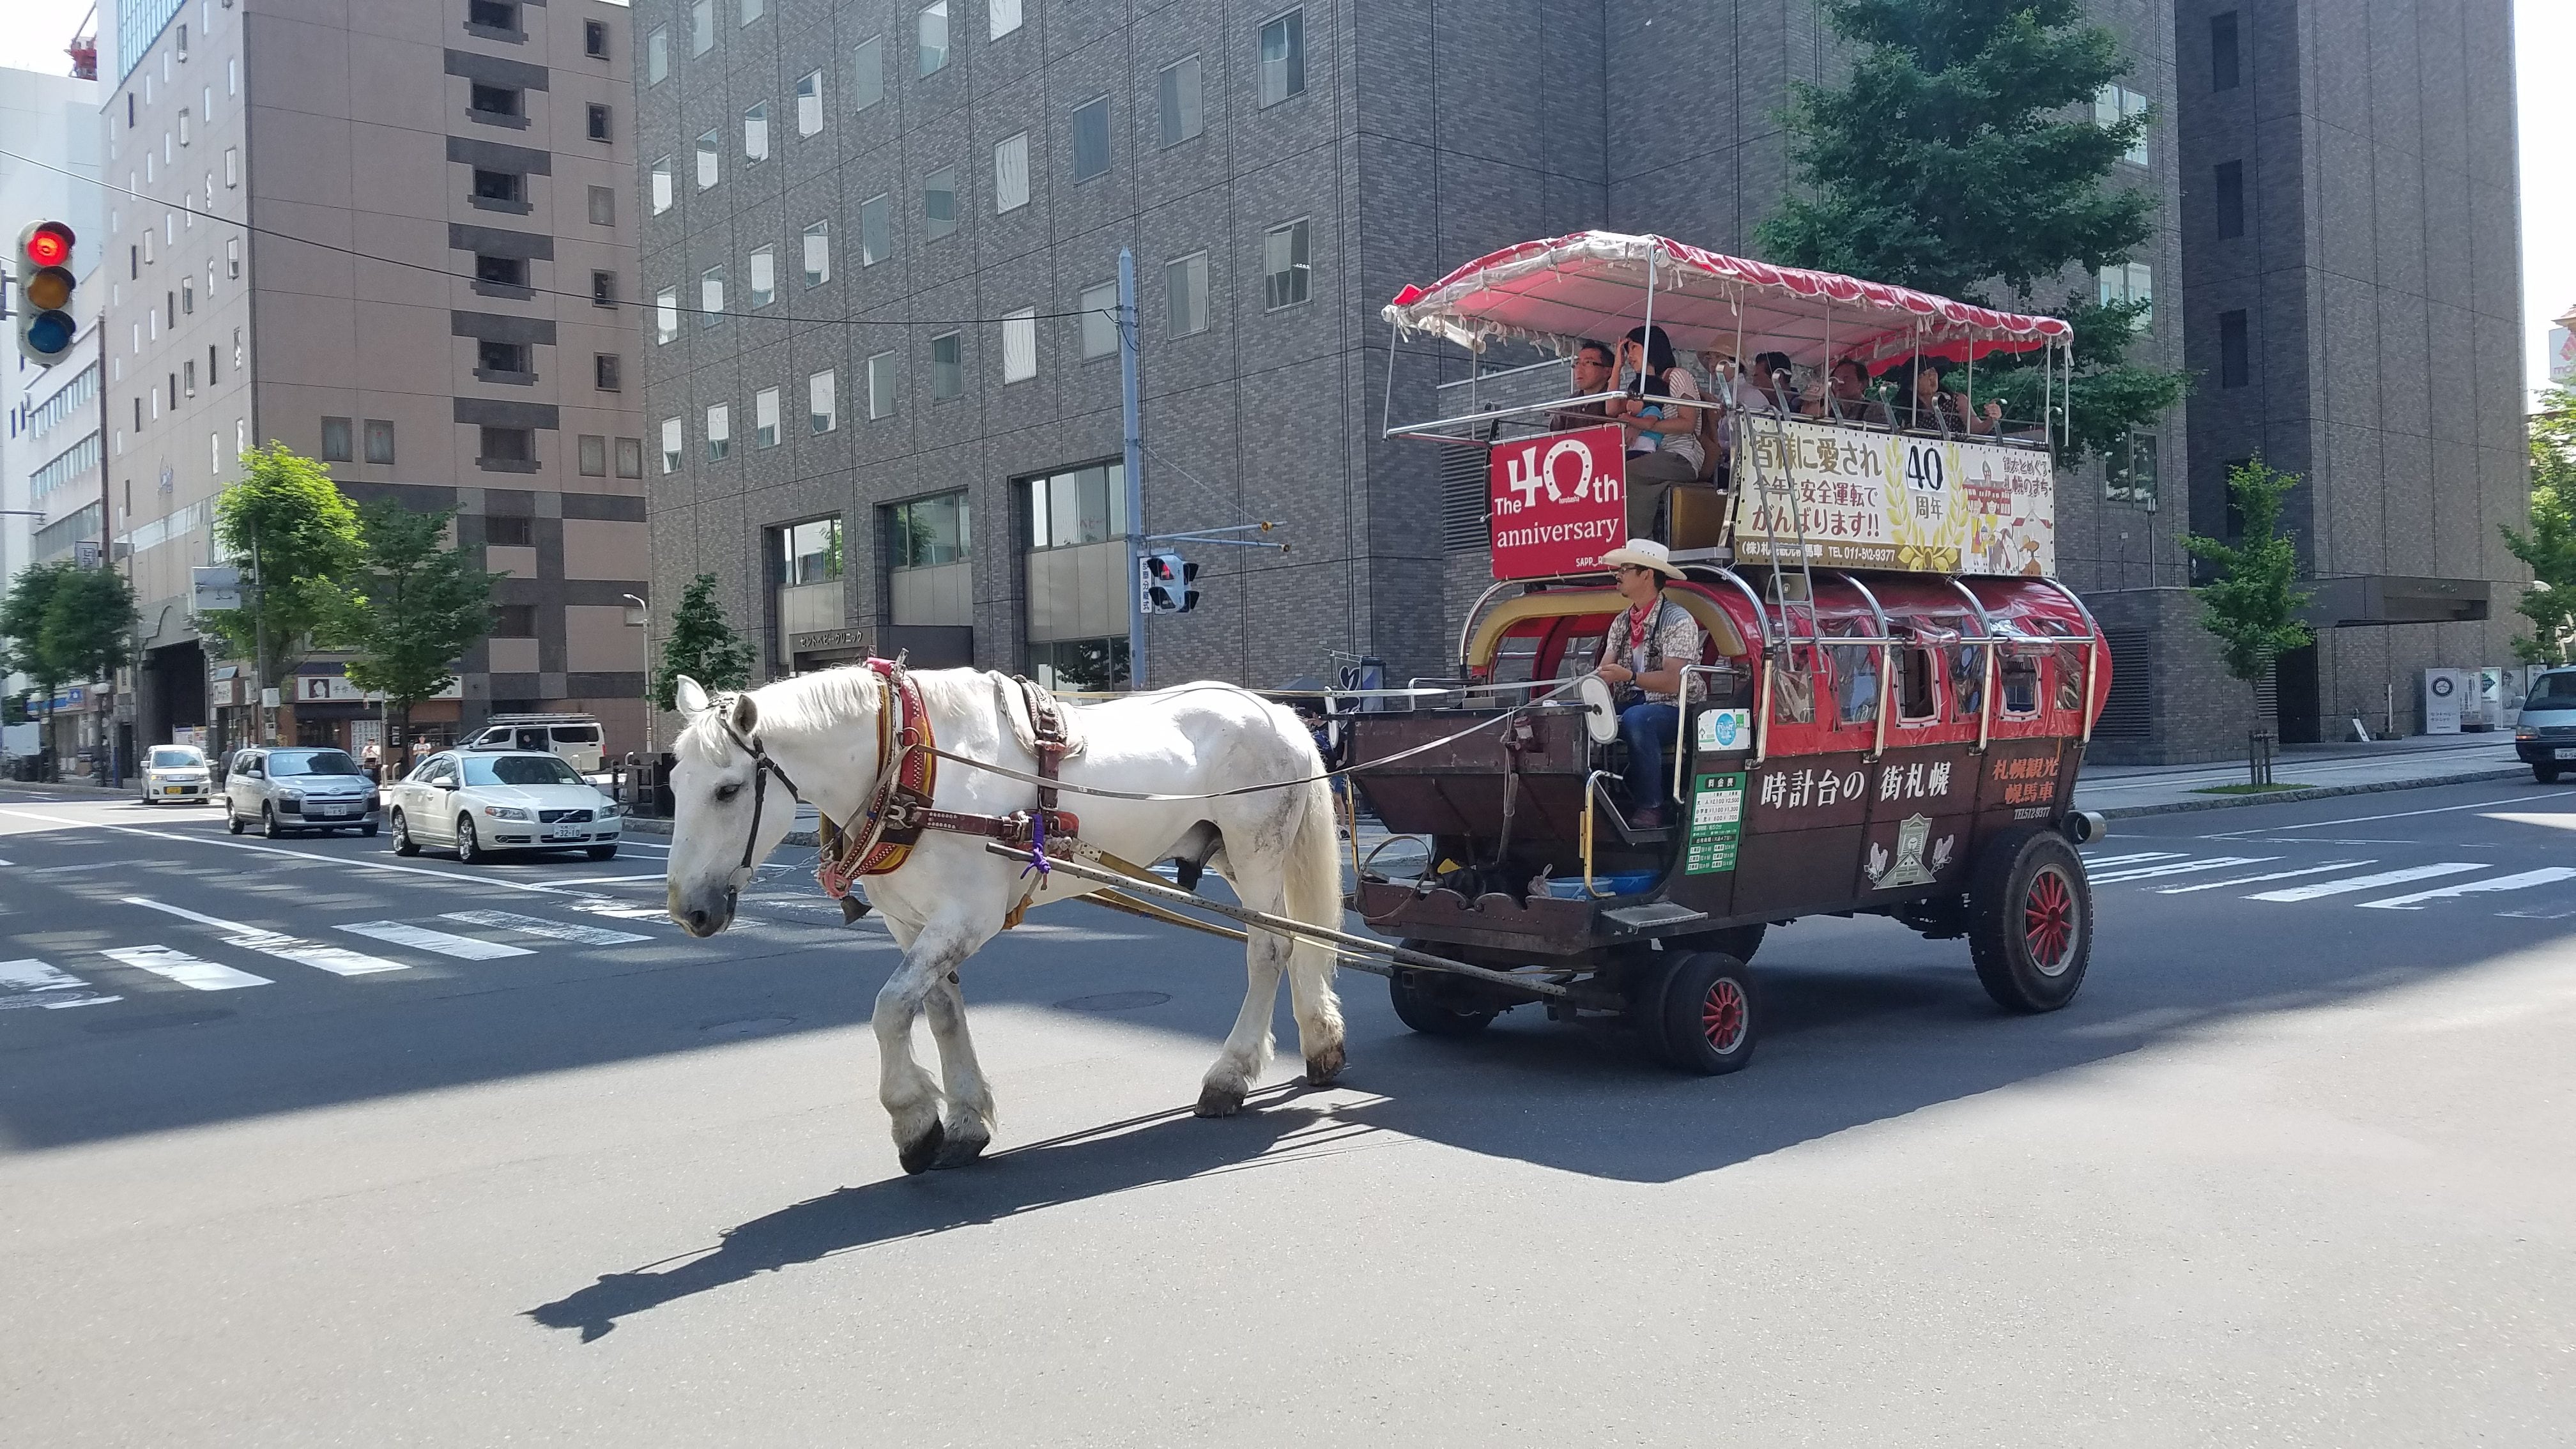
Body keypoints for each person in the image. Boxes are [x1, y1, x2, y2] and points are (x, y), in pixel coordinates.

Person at [1591, 538, 1705, 829]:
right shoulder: (1622, 622)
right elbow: (1605, 668)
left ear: (1647, 575)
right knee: (1587, 715)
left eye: (1625, 569)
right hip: (1635, 701)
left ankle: (1651, 806)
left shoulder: (1678, 620)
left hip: (1678, 708)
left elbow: (1673, 682)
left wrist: (1627, 676)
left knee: (1637, 718)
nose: (1618, 575)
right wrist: (1592, 687)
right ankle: (1597, 798)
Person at [1609, 325, 1706, 539]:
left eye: (1634, 348)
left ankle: (1639, 541)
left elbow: (1688, 423)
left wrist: (1644, 424)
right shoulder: (1642, 386)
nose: (1630, 355)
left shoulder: (1677, 376)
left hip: (1680, 455)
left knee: (1629, 472)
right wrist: (1617, 366)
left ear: (1651, 347)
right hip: (1655, 453)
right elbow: (1612, 408)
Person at [1895, 356, 2004, 436]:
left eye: (1933, 371)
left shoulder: (1957, 401)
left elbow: (1976, 429)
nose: (1931, 377)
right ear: (1911, 386)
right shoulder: (1909, 414)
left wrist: (1992, 419)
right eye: (1923, 374)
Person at [1546, 338, 1619, 434]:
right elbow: (1552, 438)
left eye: (1588, 363)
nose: (1578, 369)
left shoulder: (1617, 402)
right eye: (1577, 363)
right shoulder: (1567, 405)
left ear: (1608, 371)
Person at [1800, 358, 1891, 426]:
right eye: (1835, 378)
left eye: (1846, 378)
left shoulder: (1873, 408)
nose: (1839, 382)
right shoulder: (1830, 410)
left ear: (1863, 384)